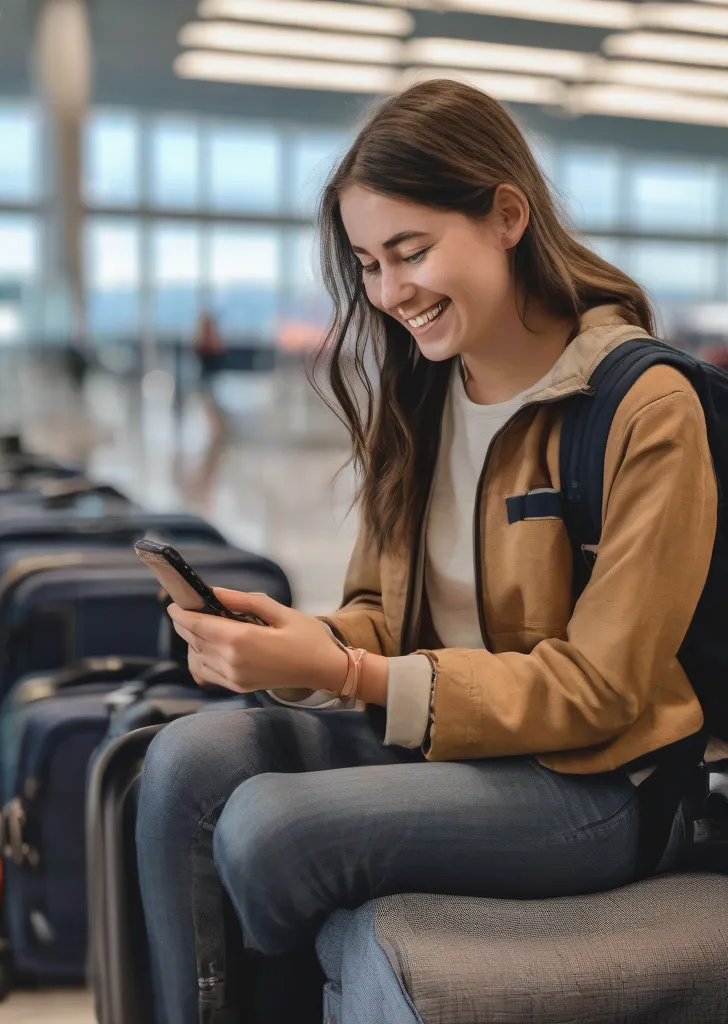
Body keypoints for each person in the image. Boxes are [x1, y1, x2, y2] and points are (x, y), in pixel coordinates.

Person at [136, 79, 719, 1024]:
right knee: (178, 768)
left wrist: (354, 671)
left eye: (411, 252)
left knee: (270, 830)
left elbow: (601, 688)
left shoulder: (645, 408)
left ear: (506, 216)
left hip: (599, 783)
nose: (389, 292)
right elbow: (381, 612)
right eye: (367, 263)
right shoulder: (422, 395)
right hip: (458, 740)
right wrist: (303, 643)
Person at [193, 310, 227, 438]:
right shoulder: (203, 340)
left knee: (213, 404)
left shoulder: (212, 340)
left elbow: (220, 353)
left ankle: (217, 430)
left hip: (213, 377)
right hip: (206, 377)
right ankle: (215, 430)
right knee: (209, 405)